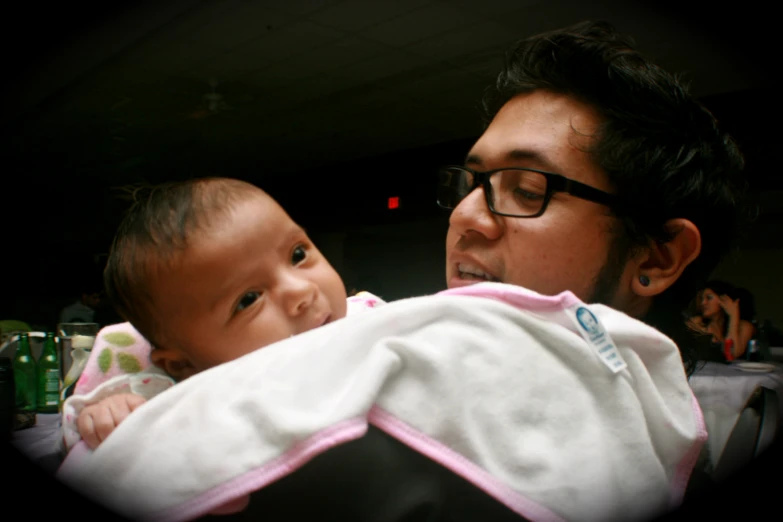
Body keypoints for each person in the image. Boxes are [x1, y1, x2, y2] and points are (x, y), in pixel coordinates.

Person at [55, 20, 749, 522]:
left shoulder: (373, 459)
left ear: (655, 258)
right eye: (473, 183)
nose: (467, 218)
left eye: (526, 189)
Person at [59, 177, 384, 451]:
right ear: (183, 365)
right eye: (248, 300)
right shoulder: (172, 398)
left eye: (297, 254)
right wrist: (111, 414)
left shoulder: (371, 320)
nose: (300, 291)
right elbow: (84, 447)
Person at [687, 280, 756, 361]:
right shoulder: (697, 323)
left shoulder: (745, 326)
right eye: (702, 298)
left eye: (709, 298)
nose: (703, 303)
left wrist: (733, 316)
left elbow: (733, 354)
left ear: (725, 301)